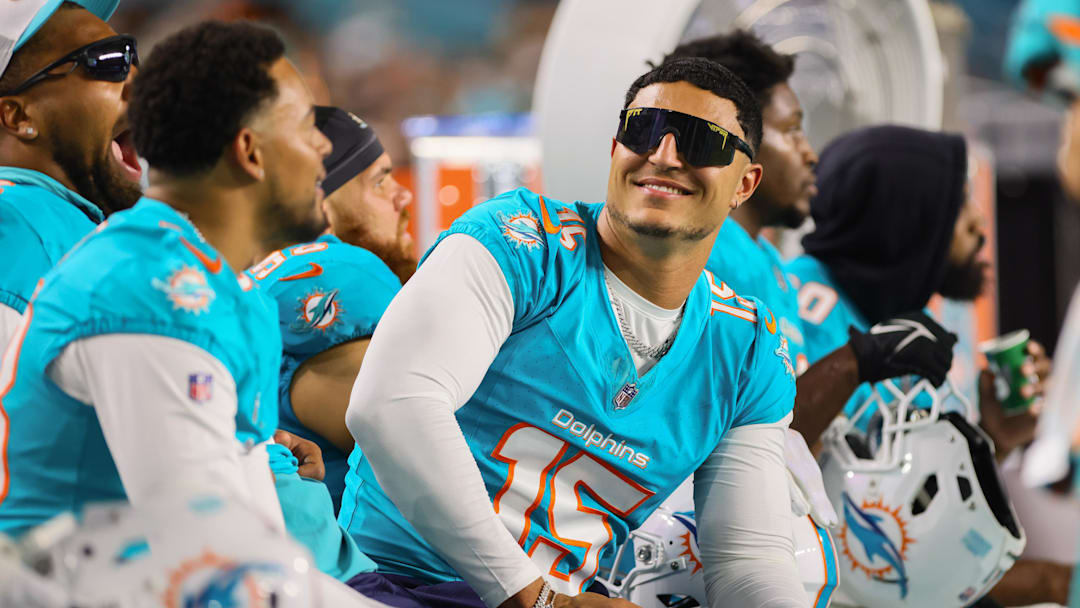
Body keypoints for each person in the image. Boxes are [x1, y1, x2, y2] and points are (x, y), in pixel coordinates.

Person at [343, 57, 807, 608]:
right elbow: (389, 406)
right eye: (644, 129)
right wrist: (537, 598)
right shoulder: (519, 241)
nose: (664, 155)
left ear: (744, 184)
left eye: (701, 142)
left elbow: (749, 562)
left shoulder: (747, 346)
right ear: (616, 148)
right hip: (398, 584)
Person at [0, 19, 330, 539]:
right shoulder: (55, 240)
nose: (133, 77)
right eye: (105, 62)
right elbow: (209, 560)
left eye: (130, 54)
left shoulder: (178, 264)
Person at [786, 124, 1063, 606]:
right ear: (905, 217)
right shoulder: (795, 306)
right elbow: (763, 468)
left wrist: (994, 438)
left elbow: (915, 518)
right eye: (958, 203)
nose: (979, 221)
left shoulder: (903, 319)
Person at [664, 31, 959, 450]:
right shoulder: (706, 249)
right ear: (738, 137)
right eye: (793, 131)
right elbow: (737, 439)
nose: (811, 154)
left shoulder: (764, 261)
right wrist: (858, 360)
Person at [251, 106, 413, 511]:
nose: (403, 195)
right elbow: (419, 447)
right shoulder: (336, 273)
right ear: (321, 201)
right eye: (379, 182)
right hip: (358, 568)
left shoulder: (256, 281)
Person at [0, 0, 143, 347]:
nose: (139, 81)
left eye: (132, 55)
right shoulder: (24, 232)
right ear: (19, 117)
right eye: (108, 61)